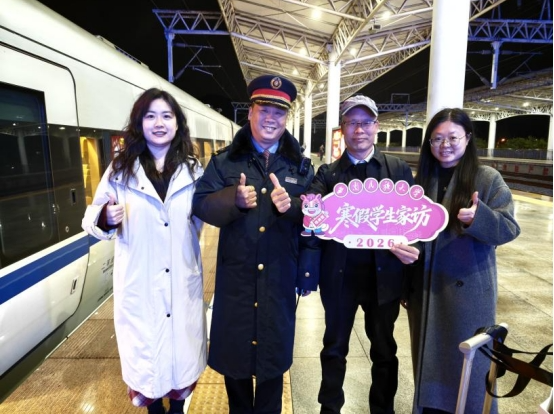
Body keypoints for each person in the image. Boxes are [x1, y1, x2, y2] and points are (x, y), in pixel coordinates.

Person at [192, 74, 317, 414]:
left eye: (279, 112)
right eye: (264, 110)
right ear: (250, 112)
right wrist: (232, 200)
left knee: (272, 369)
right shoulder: (224, 162)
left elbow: (317, 221)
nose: (271, 118)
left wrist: (293, 209)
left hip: (279, 280)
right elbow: (200, 204)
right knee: (235, 368)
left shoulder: (301, 166)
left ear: (286, 118)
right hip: (237, 282)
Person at [81, 88, 206, 414]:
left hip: (182, 280)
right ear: (139, 123)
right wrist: (105, 218)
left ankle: (177, 409)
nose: (159, 123)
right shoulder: (119, 170)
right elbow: (89, 219)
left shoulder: (193, 170)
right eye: (150, 116)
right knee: (148, 368)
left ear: (177, 123)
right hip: (140, 284)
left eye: (166, 116)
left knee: (180, 364)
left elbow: (203, 217)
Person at [303, 94, 420, 414]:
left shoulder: (397, 170)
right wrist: (306, 206)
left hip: (385, 280)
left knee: (384, 350)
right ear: (342, 128)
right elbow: (311, 212)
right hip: (339, 279)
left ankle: (383, 409)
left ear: (376, 126)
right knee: (334, 348)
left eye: (366, 122)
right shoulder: (327, 174)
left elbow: (414, 222)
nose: (359, 130)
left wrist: (413, 255)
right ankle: (329, 409)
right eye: (352, 123)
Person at [404, 108, 521, 414]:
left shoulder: (487, 178)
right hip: (426, 291)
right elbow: (412, 230)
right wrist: (406, 251)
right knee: (430, 370)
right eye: (437, 138)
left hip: (467, 295)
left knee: (469, 372)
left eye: (453, 137)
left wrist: (477, 218)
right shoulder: (422, 181)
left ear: (468, 139)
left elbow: (509, 228)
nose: (445, 145)